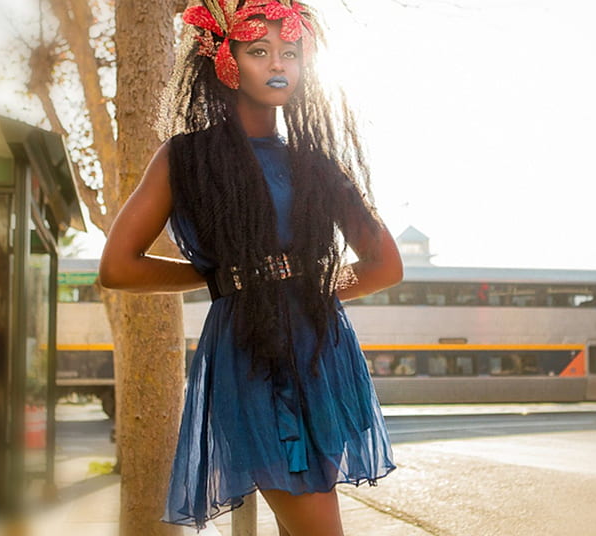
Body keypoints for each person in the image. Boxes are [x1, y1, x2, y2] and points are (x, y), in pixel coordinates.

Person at [98, 1, 402, 534]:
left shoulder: (316, 161)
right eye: (258, 51)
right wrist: (223, 278)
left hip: (322, 358)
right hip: (251, 356)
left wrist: (310, 292)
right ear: (225, 60)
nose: (278, 64)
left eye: (290, 52)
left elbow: (386, 266)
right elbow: (118, 267)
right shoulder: (184, 158)